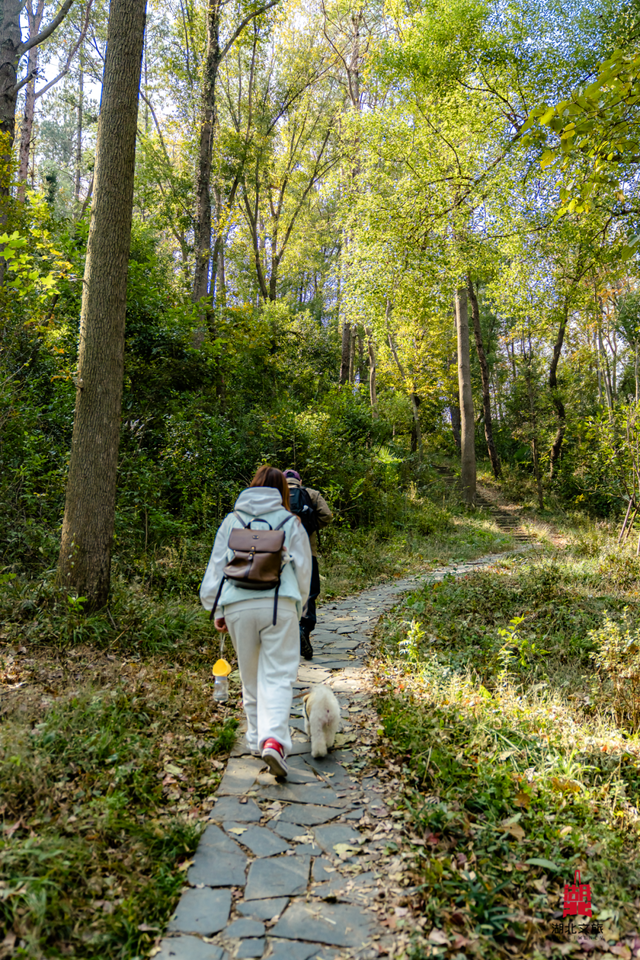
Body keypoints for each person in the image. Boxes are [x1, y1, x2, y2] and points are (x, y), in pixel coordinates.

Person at [200, 465, 312, 779]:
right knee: (276, 675)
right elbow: (304, 570)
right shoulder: (290, 522)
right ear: (283, 493)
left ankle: (253, 740)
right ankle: (273, 740)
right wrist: (299, 606)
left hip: (237, 605)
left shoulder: (232, 521)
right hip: (279, 604)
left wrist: (216, 608)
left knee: (250, 676)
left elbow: (215, 569)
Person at [283, 469, 333, 661]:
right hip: (307, 553)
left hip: (282, 555)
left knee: (284, 594)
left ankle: (287, 637)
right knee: (309, 593)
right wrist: (311, 527)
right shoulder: (312, 494)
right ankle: (304, 629)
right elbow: (327, 515)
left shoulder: (277, 495)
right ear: (299, 481)